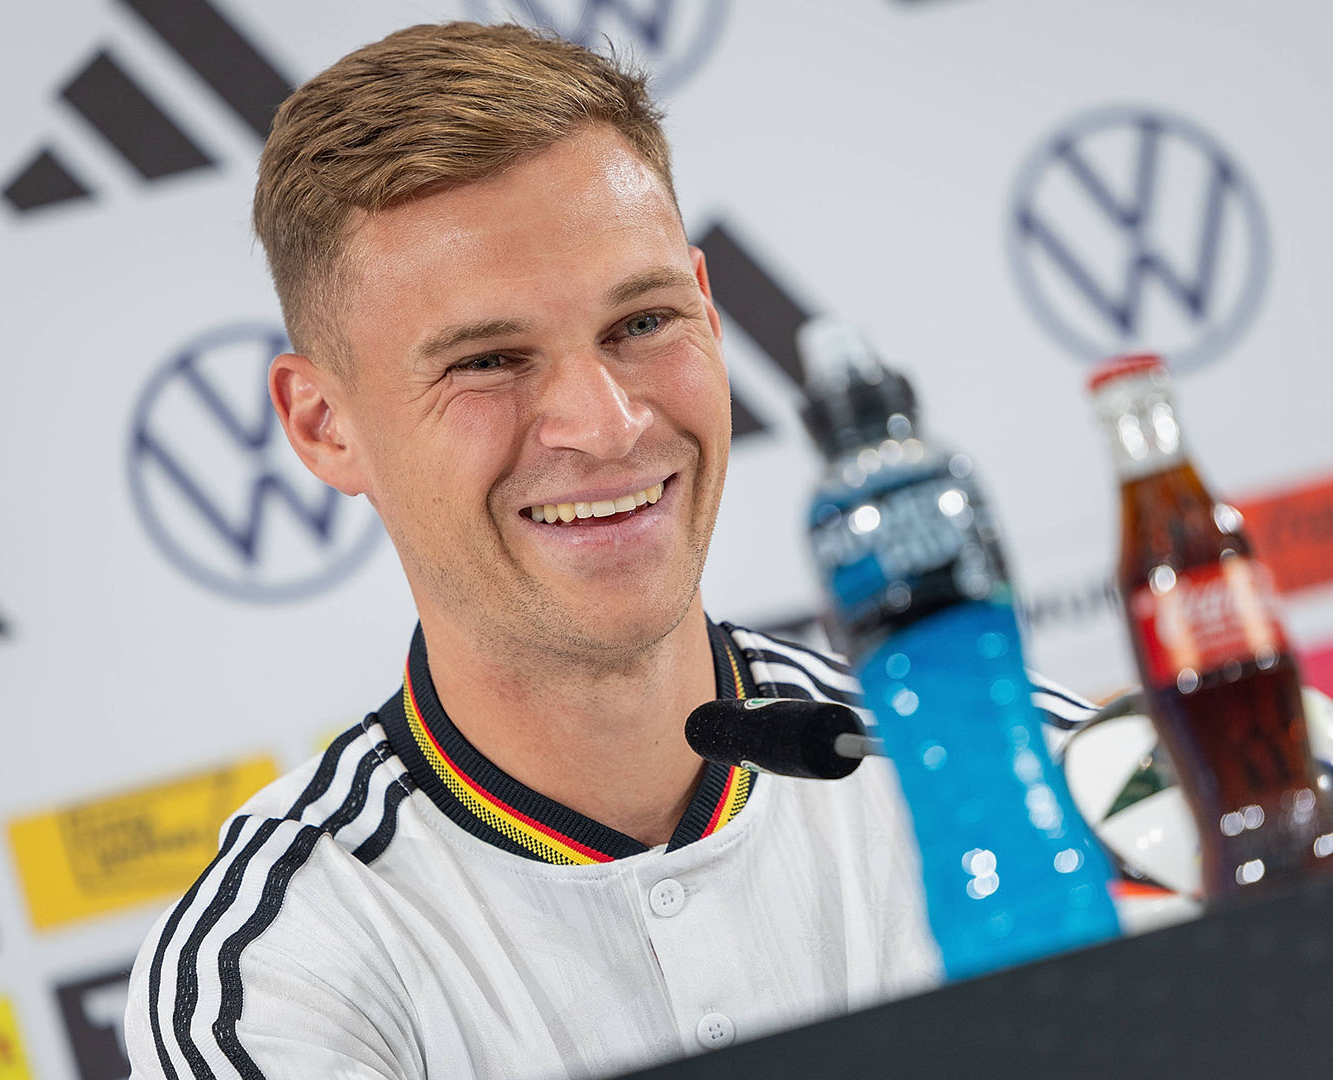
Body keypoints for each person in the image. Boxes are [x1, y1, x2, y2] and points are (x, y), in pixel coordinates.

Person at [125, 20, 1093, 1080]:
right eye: (489, 360)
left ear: (709, 314)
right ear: (322, 425)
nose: (607, 422)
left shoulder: (1041, 774)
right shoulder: (271, 972)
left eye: (641, 323)